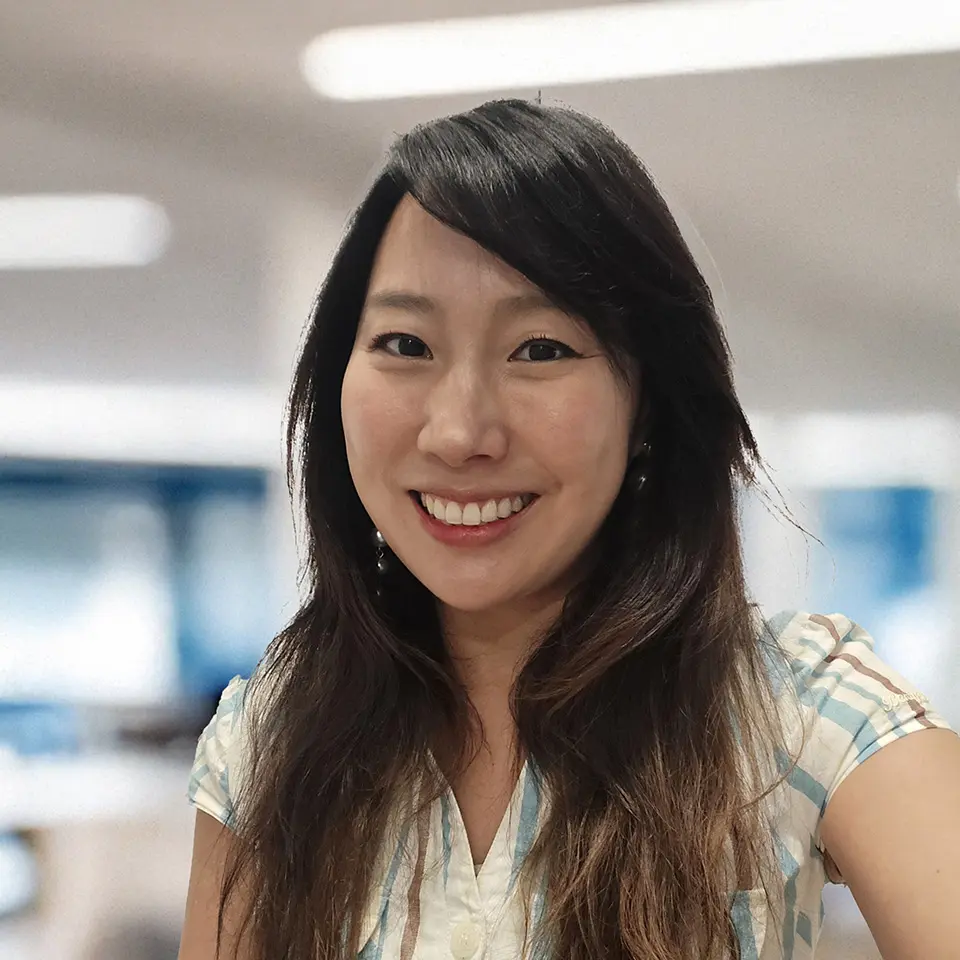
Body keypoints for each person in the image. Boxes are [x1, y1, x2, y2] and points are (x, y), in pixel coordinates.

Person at [177, 99, 960, 960]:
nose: (459, 431)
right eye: (405, 343)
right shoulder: (274, 740)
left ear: (647, 401)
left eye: (541, 348)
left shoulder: (796, 710)